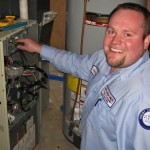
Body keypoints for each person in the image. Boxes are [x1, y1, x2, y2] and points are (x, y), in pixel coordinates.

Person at [17, 2, 150, 150]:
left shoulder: (140, 99)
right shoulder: (104, 58)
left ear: (146, 41)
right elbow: (75, 63)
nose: (115, 42)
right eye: (111, 31)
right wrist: (38, 48)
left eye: (127, 34)